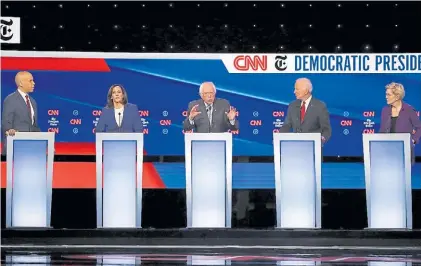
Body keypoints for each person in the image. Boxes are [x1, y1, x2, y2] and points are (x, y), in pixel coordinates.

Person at [279, 78, 332, 143]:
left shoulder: (320, 106)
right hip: (296, 147)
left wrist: (322, 138)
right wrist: (279, 138)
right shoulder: (292, 105)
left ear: (306, 91)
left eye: (297, 89)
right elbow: (286, 126)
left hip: (314, 147)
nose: (294, 91)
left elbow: (326, 130)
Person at [379, 82, 421, 164]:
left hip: (404, 150)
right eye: (386, 94)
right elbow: (382, 130)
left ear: (397, 96)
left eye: (389, 95)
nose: (386, 97)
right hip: (387, 150)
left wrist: (413, 140)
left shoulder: (409, 110)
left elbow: (419, 127)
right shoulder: (385, 110)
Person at [2, 71, 40, 154]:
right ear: (21, 83)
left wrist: (47, 145)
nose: (33, 83)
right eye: (30, 81)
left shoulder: (32, 102)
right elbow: (6, 124)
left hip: (31, 148)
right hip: (15, 147)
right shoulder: (10, 100)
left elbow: (34, 127)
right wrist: (9, 130)